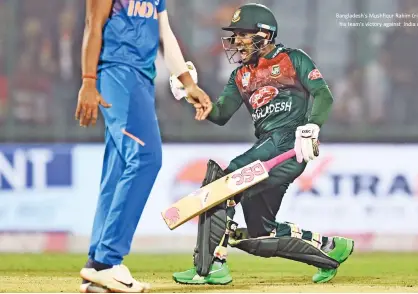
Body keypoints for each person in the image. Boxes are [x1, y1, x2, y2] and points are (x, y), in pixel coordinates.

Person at [170, 3, 354, 285]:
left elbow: (323, 95)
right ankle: (330, 248)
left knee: (225, 182)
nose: (237, 41)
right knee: (260, 234)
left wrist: (312, 126)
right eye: (236, 35)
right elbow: (219, 114)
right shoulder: (240, 76)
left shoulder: (292, 59)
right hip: (269, 149)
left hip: (290, 143)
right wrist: (191, 95)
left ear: (264, 34)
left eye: (243, 34)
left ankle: (212, 265)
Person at [74, 0, 212, 292]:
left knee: (119, 167)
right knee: (146, 157)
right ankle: (107, 261)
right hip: (116, 73)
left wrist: (187, 83)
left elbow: (166, 34)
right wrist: (88, 81)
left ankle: (96, 265)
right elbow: (92, 24)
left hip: (141, 79)